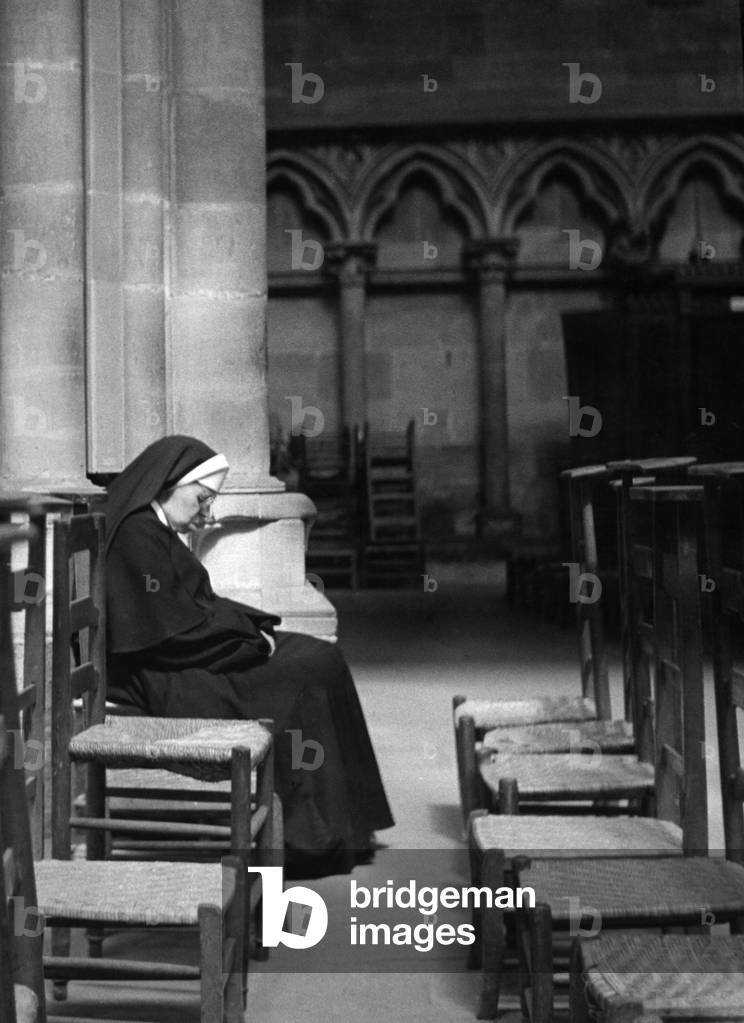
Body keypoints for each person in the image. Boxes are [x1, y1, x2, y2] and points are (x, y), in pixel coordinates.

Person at [105, 434, 394, 876]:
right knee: (301, 677)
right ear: (169, 483)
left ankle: (349, 826)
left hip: (187, 655)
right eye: (201, 499)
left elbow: (193, 607)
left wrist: (253, 627)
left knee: (323, 657)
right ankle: (305, 841)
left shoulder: (154, 527)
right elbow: (166, 633)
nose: (205, 513)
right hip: (167, 672)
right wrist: (250, 641)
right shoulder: (138, 534)